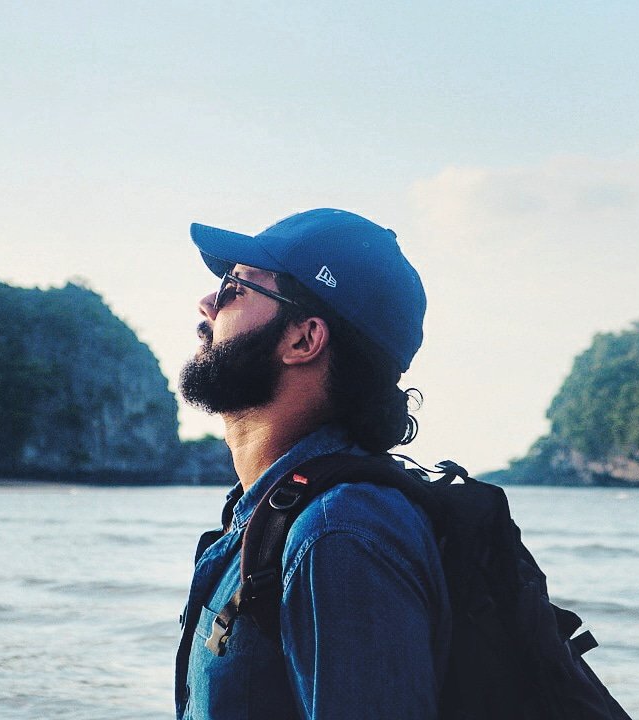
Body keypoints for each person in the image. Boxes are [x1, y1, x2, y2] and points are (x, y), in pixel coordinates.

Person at [173, 208, 450, 720]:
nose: (208, 303)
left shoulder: (339, 533)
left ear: (303, 339)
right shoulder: (271, 514)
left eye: (237, 288)